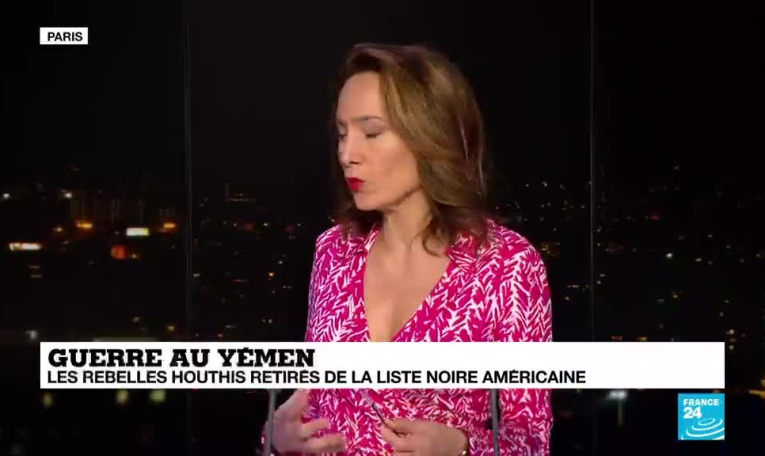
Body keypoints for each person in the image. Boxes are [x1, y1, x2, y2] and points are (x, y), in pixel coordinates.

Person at [265, 43, 553, 455]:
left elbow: (532, 439)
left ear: (429, 136)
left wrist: (463, 447)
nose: (347, 154)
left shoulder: (507, 265)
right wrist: (278, 440)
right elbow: (313, 402)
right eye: (342, 134)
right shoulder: (333, 251)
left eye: (372, 133)